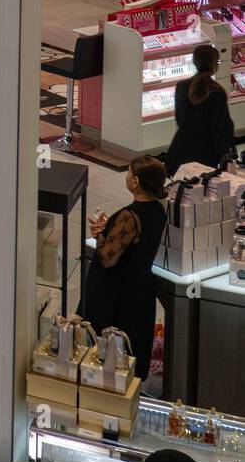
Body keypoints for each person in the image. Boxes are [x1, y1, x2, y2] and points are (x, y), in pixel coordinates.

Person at [80, 156, 168, 379]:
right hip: (140, 293)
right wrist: (112, 228)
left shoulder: (130, 216)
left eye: (129, 173)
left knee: (108, 355)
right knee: (132, 353)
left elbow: (108, 258)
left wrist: (101, 234)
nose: (127, 177)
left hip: (116, 296)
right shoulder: (158, 209)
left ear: (136, 181)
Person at [165, 44, 236, 177]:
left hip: (182, 148)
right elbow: (219, 129)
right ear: (215, 65)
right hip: (207, 153)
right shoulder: (217, 92)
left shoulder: (181, 86)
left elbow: (179, 119)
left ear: (195, 62)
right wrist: (226, 154)